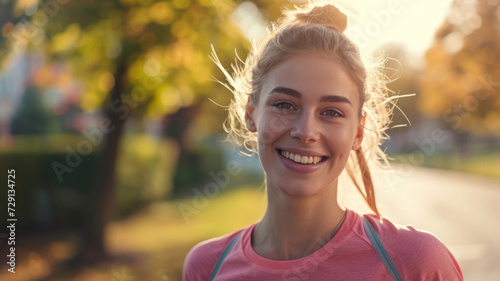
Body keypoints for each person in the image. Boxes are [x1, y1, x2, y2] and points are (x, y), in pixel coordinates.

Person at [183, 2, 463, 280]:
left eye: (331, 112)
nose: (306, 131)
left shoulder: (414, 264)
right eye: (285, 105)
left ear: (357, 132)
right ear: (251, 114)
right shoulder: (207, 266)